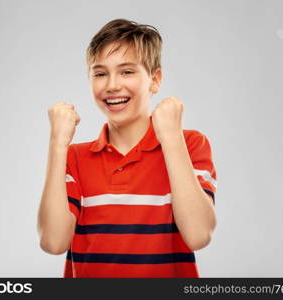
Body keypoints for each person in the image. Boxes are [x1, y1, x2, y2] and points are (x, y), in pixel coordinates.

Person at [37, 18, 217, 278]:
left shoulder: (189, 144)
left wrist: (171, 139)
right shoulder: (74, 157)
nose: (112, 85)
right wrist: (57, 144)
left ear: (154, 80)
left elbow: (199, 235)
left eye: (127, 71)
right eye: (100, 73)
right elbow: (53, 242)